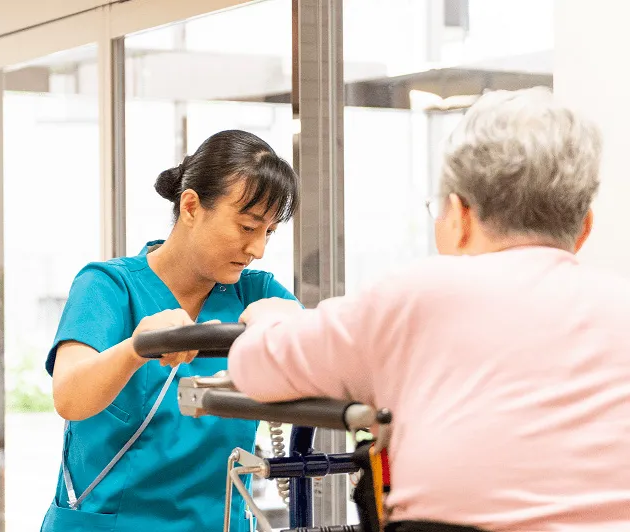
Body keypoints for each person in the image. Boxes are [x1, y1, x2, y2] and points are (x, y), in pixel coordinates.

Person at [227, 87, 630, 532]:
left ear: (458, 216)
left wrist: (270, 317)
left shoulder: (415, 297)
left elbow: (254, 367)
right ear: (584, 227)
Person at [40, 129, 299, 532]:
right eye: (248, 227)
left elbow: (325, 364)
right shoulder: (109, 286)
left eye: (269, 232)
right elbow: (70, 397)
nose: (258, 249)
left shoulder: (257, 292)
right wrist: (136, 348)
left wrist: (290, 321)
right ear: (192, 206)